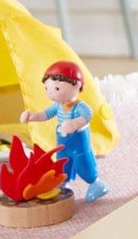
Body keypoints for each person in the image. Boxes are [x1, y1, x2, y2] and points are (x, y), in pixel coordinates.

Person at [20, 59, 107, 201]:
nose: (50, 93)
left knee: (84, 163)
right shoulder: (58, 106)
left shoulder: (80, 106)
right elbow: (46, 114)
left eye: (56, 89)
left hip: (79, 142)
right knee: (62, 164)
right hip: (63, 142)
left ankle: (96, 183)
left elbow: (87, 115)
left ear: (77, 85)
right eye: (47, 89)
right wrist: (33, 116)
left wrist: (75, 123)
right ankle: (63, 183)